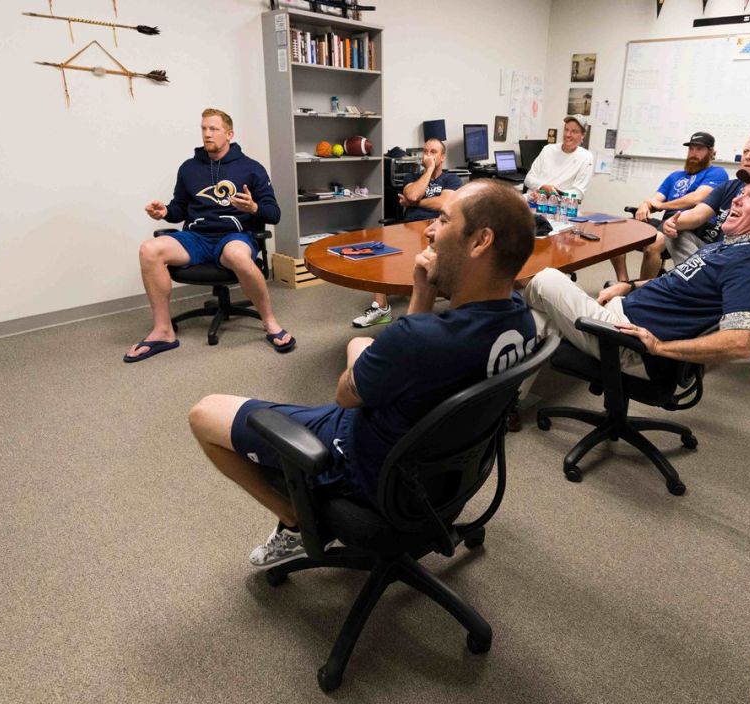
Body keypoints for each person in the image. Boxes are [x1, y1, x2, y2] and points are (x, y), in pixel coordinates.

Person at [188, 180, 539, 568]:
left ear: (480, 242)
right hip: (443, 476)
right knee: (361, 347)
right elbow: (414, 351)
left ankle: (299, 525)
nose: (429, 230)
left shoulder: (418, 340)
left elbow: (345, 395)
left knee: (204, 414)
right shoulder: (521, 321)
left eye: (442, 219)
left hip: (367, 469)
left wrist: (374, 349)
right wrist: (420, 295)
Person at [521, 169, 750, 390]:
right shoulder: (731, 246)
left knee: (544, 278)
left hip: (626, 343)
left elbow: (743, 342)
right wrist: (629, 285)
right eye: (743, 192)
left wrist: (659, 348)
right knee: (533, 320)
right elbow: (681, 281)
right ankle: (510, 405)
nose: (736, 198)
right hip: (622, 315)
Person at [125, 108, 293, 362]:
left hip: (234, 236)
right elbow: (179, 208)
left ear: (229, 133)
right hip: (197, 238)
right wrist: (165, 211)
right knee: (149, 249)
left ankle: (270, 323)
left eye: (213, 129)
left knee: (236, 254)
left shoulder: (251, 168)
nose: (206, 134)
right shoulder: (189, 168)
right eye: (203, 128)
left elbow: (274, 214)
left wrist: (254, 208)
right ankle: (163, 331)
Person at [352, 137, 461, 328]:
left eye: (433, 152)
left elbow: (444, 203)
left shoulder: (451, 179)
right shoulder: (411, 178)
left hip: (436, 228)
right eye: (425, 151)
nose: (428, 156)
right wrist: (427, 171)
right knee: (379, 252)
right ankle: (381, 308)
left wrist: (413, 202)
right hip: (408, 228)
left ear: (442, 157)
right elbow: (412, 194)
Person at [658, 131, 750, 272]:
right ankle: (698, 277)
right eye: (745, 151)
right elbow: (698, 214)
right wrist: (675, 222)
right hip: (717, 253)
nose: (748, 157)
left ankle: (696, 278)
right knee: (676, 234)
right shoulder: (730, 186)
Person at [624, 132, 729, 282]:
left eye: (699, 149)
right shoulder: (675, 176)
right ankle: (623, 279)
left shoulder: (717, 173)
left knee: (653, 244)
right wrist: (645, 205)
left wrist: (661, 205)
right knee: (619, 230)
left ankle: (643, 291)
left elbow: (696, 198)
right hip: (666, 222)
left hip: (693, 225)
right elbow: (655, 199)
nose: (694, 153)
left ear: (711, 152)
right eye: (691, 149)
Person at [522, 114, 594, 203]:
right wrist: (542, 186)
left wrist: (551, 195)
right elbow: (528, 179)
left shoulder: (586, 157)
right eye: (566, 130)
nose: (568, 134)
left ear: (583, 135)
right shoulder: (548, 149)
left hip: (557, 206)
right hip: (531, 200)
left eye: (574, 131)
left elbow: (578, 193)